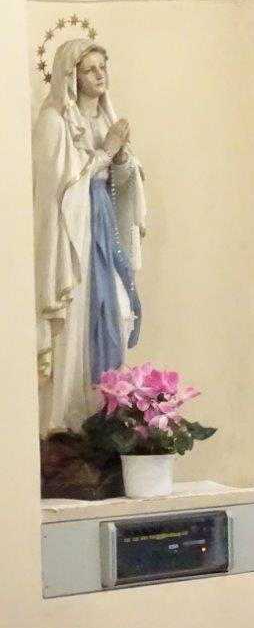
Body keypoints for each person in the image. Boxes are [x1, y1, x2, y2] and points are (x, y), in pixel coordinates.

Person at [33, 38, 145, 435]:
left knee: (117, 309)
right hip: (73, 239)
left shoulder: (105, 119)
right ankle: (67, 419)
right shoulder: (55, 122)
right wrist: (106, 152)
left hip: (104, 229)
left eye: (102, 67)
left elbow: (125, 186)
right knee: (77, 317)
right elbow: (57, 189)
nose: (100, 75)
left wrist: (121, 159)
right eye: (89, 69)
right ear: (71, 77)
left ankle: (104, 409)